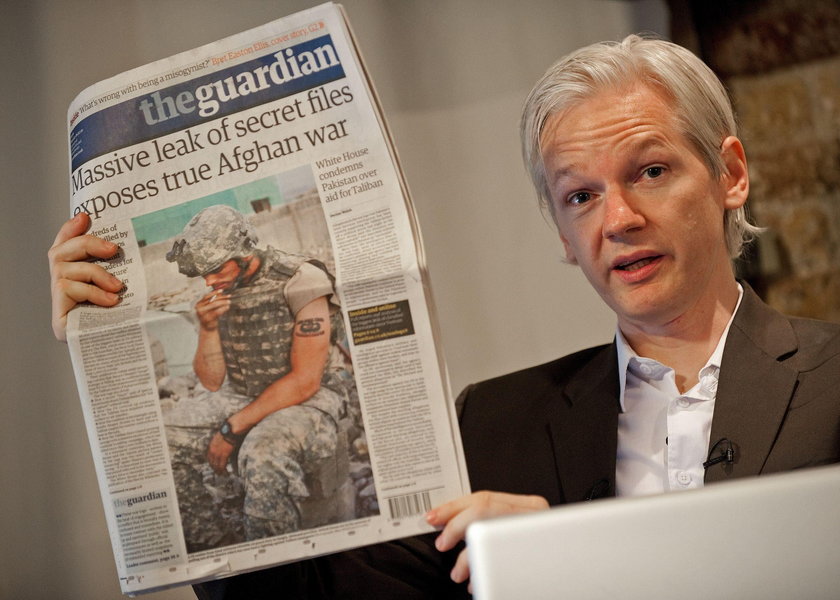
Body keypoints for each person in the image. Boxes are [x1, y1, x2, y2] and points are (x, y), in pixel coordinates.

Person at [49, 34, 839, 598]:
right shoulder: (497, 423)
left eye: (652, 171)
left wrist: (562, 550)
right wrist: (103, 342)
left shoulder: (830, 382)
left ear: (730, 175)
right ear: (562, 235)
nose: (619, 218)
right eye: (580, 196)